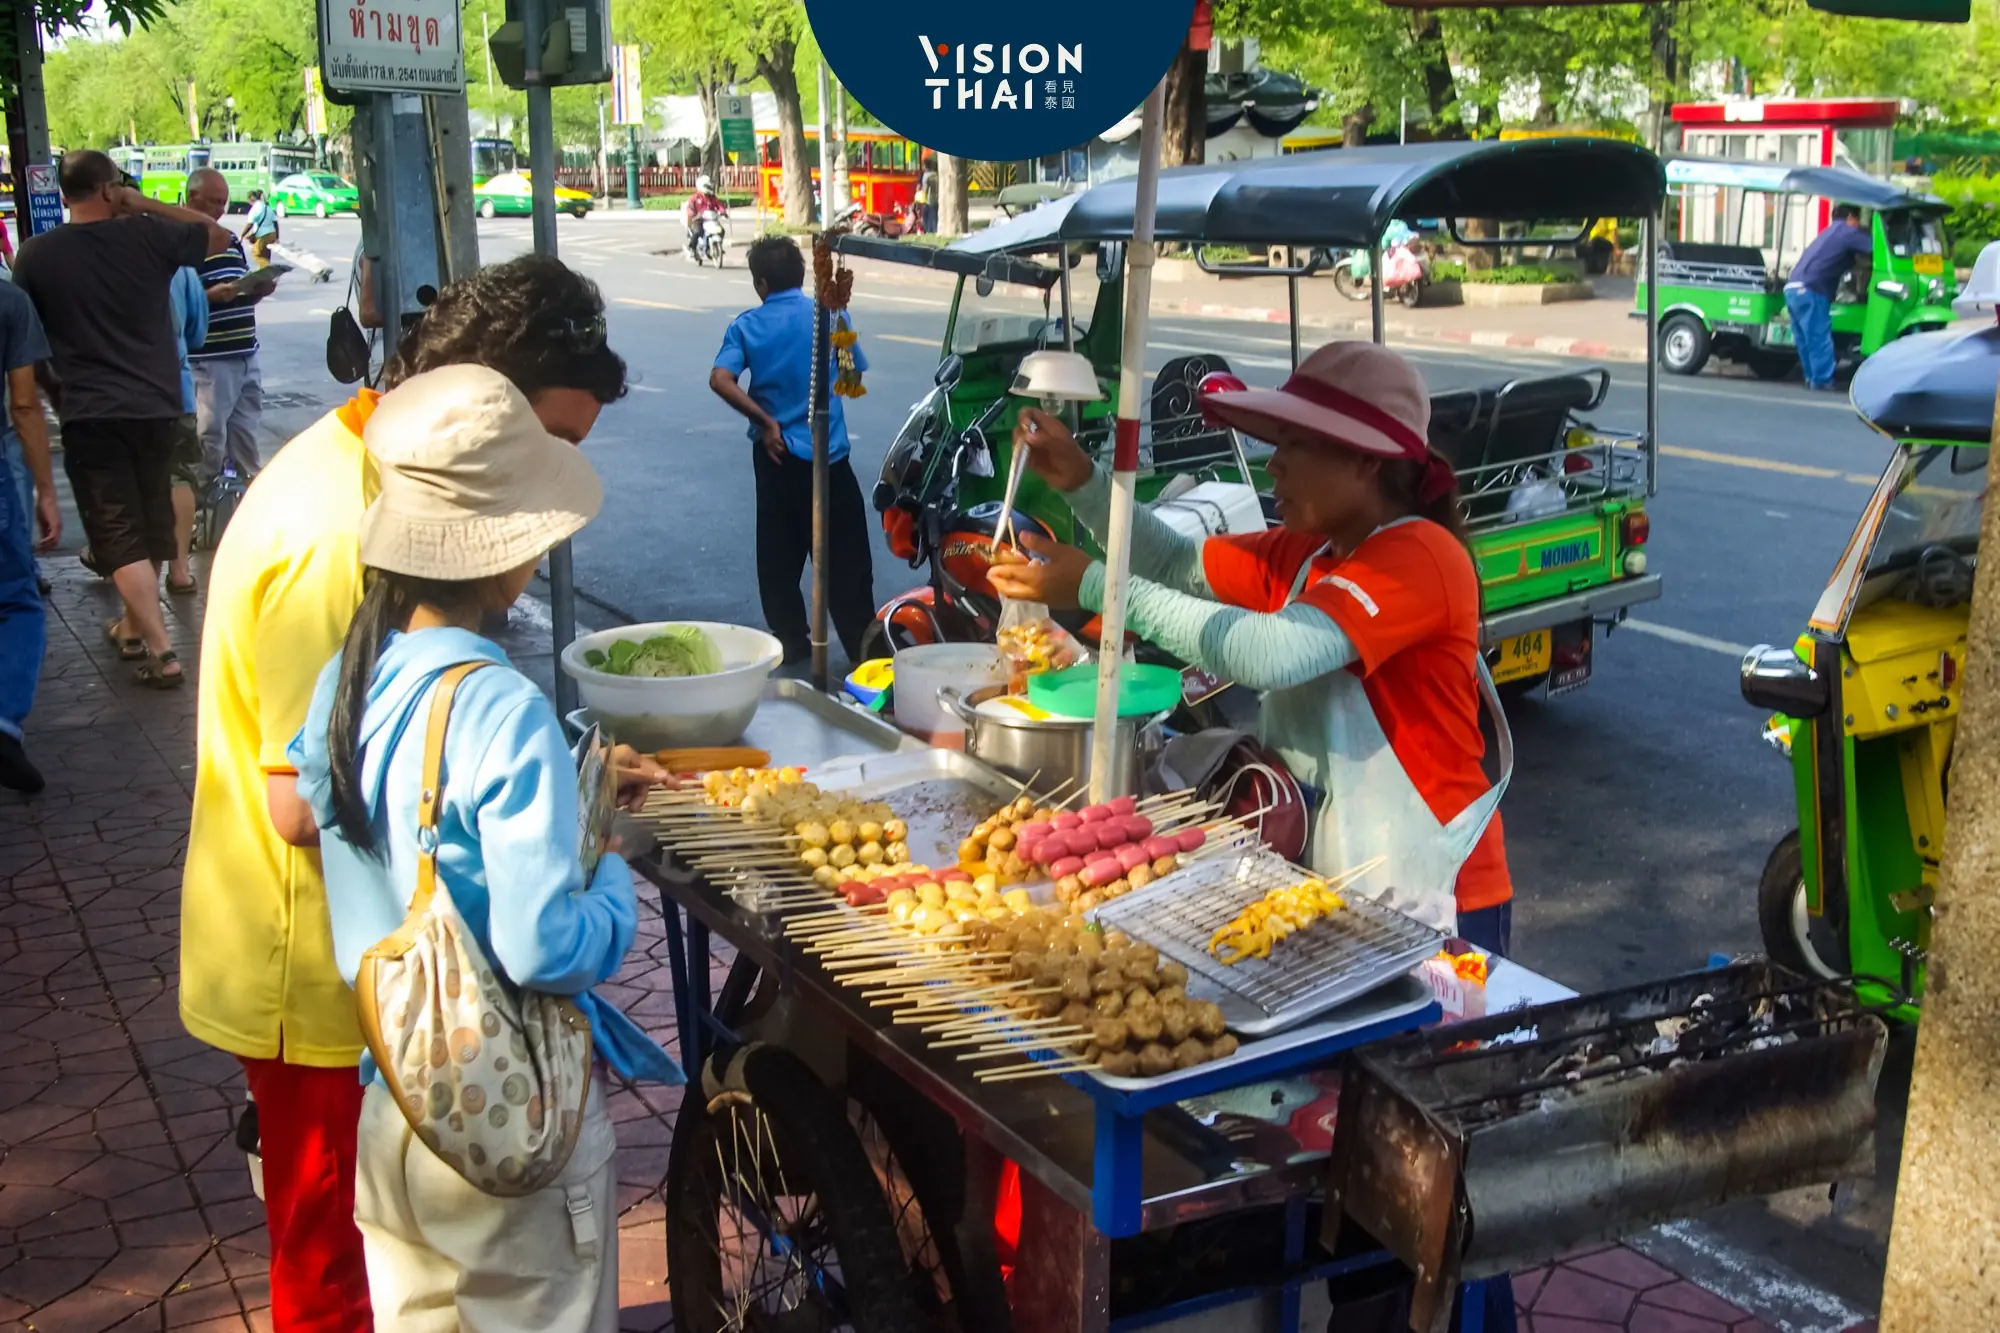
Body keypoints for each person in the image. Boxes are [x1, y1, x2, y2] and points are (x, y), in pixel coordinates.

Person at [179, 255, 638, 1330]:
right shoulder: (340, 534)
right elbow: (303, 801)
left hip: (382, 1013)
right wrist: (589, 849)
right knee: (330, 1288)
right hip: (348, 1002)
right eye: (549, 450)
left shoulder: (379, 527)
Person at [284, 363, 680, 1328]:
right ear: (506, 549)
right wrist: (613, 866)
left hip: (397, 1109)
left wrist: (578, 790)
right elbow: (546, 946)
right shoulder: (500, 705)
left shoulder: (353, 668)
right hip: (508, 1126)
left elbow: (382, 821)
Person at [988, 342, 1512, 947]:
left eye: (1294, 445)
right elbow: (1172, 559)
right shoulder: (1310, 551)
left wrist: (1091, 585)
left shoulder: (1420, 557)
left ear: (1366, 461)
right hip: (1332, 876)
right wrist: (1080, 478)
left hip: (1437, 894)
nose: (1273, 466)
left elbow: (1269, 653)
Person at [11, 149, 235, 689]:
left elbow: (28, 341)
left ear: (63, 195)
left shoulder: (36, 256)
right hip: (158, 404)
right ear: (110, 187)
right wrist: (140, 202)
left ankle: (161, 649)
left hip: (90, 409)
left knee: (118, 533)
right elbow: (216, 234)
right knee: (151, 523)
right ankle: (135, 630)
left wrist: (52, 393)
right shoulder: (147, 236)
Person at [708, 235, 875, 664]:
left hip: (776, 455)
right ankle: (864, 651)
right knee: (847, 558)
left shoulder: (746, 325)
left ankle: (793, 642)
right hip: (830, 458)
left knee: (778, 554)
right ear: (803, 276)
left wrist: (765, 422)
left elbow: (720, 379)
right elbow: (851, 372)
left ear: (761, 283)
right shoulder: (829, 315)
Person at [0, 275, 54, 792]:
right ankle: (3, 722)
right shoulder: (10, 300)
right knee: (16, 600)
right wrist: (46, 491)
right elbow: (23, 404)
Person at [187, 166, 273, 485]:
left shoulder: (230, 238)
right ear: (193, 197)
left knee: (245, 436)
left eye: (224, 202)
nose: (221, 210)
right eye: (214, 202)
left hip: (244, 351)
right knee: (209, 439)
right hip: (210, 358)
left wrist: (257, 289)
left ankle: (242, 503)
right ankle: (201, 510)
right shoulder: (178, 239)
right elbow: (170, 299)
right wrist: (210, 296)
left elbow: (240, 294)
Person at [1784, 204, 1872, 391]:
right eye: (1857, 221)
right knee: (1818, 337)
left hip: (1792, 288)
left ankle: (1812, 377)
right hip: (1811, 289)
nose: (1857, 225)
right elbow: (1875, 248)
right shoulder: (1847, 231)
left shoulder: (1828, 233)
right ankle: (1822, 381)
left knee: (1805, 339)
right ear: (1850, 217)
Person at [166, 260, 209, 596]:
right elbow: (196, 333)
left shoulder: (98, 259)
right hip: (173, 391)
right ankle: (179, 569)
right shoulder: (180, 269)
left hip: (115, 396)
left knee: (128, 480)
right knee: (180, 477)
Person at [682, 173, 728, 263]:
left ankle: (717, 246)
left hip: (711, 219)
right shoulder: (695, 198)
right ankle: (692, 248)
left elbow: (719, 205)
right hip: (698, 220)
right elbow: (690, 208)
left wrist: (723, 211)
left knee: (721, 230)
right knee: (698, 232)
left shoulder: (712, 197)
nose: (710, 187)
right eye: (707, 185)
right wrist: (693, 214)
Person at [245, 188, 279, 267]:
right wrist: (277, 237)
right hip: (272, 235)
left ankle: (268, 268)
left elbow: (250, 224)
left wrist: (242, 235)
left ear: (250, 198)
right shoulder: (267, 207)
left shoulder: (255, 208)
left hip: (263, 236)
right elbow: (275, 223)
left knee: (256, 254)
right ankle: (264, 274)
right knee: (266, 256)